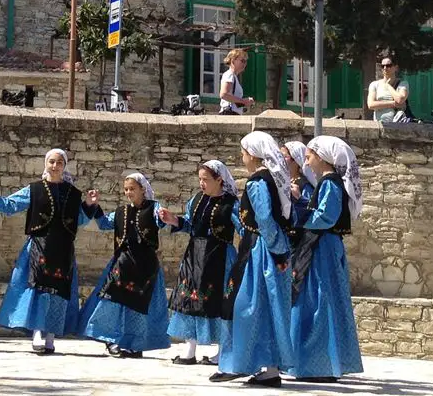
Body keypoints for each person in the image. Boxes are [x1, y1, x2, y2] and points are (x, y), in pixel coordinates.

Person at [0, 148, 100, 355]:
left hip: (63, 248)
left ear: (64, 166)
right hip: (39, 246)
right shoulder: (34, 189)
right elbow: (11, 205)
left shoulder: (73, 193)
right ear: (46, 164)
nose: (55, 166)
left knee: (59, 293)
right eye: (51, 162)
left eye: (59, 162)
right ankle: (38, 333)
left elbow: (81, 221)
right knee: (39, 290)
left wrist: (88, 205)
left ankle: (51, 335)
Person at [213, 131, 293, 388]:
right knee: (266, 309)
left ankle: (239, 363)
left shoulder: (257, 182)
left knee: (243, 306)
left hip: (259, 251)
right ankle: (269, 370)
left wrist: (277, 251)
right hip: (267, 248)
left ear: (255, 155)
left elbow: (266, 220)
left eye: (244, 152)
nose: (242, 157)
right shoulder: (271, 180)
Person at [288, 136, 364, 383]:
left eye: (309, 157)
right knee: (317, 300)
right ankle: (315, 363)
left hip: (323, 248)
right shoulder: (327, 183)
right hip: (322, 246)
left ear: (321, 157)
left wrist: (299, 212)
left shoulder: (330, 183)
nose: (307, 163)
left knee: (321, 300)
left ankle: (319, 365)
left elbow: (326, 217)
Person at [77, 171, 172, 359]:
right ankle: (110, 340)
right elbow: (104, 224)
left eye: (132, 189)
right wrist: (94, 206)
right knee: (112, 301)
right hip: (122, 263)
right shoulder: (121, 212)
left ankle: (133, 344)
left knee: (138, 306)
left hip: (145, 266)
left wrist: (163, 216)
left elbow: (161, 221)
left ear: (142, 190)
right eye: (126, 189)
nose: (129, 193)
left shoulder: (153, 208)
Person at [165, 160, 239, 367]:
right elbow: (190, 224)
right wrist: (174, 220)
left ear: (219, 180)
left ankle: (223, 350)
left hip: (220, 256)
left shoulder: (231, 204)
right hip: (194, 256)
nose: (201, 183)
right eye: (199, 179)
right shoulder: (197, 200)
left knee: (219, 302)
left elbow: (243, 228)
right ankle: (189, 350)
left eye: (205, 179)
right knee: (189, 299)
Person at [281, 141, 317, 228]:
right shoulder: (284, 181)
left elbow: (310, 212)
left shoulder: (305, 186)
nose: (280, 160)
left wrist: (299, 199)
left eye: (284, 156)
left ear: (296, 160)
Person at [367, 55, 410, 122]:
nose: (385, 68)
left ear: (396, 67)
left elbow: (400, 99)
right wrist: (393, 103)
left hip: (398, 126)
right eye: (382, 66)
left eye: (388, 65)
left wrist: (388, 86)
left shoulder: (403, 84)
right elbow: (371, 105)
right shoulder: (374, 84)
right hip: (379, 124)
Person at [219, 48, 255, 115]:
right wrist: (243, 101)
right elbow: (223, 94)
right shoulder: (229, 74)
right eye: (242, 61)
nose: (245, 64)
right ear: (233, 61)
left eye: (246, 61)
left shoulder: (233, 77)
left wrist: (244, 101)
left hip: (232, 113)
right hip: (229, 113)